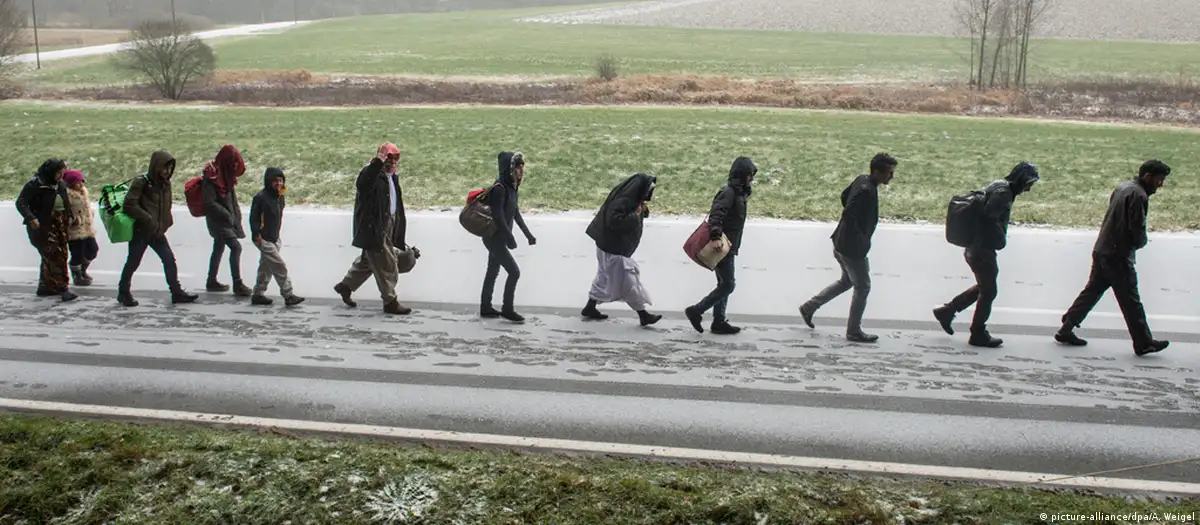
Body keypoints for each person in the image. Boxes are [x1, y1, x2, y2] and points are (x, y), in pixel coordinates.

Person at [1054, 160, 1172, 356]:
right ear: (1148, 177)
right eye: (1159, 180)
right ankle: (1143, 342)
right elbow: (1136, 228)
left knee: (1092, 291)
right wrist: (1140, 242)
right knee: (1131, 300)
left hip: (1103, 249)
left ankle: (1067, 328)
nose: (1161, 184)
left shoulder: (1123, 187)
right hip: (1118, 255)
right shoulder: (1139, 195)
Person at [933, 161, 1040, 348]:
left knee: (985, 286)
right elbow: (989, 219)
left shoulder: (999, 185)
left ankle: (948, 311)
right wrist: (1001, 240)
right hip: (982, 249)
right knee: (989, 291)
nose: (1028, 189)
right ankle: (977, 332)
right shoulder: (1003, 194)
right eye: (1028, 183)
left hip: (975, 246)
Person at [799, 153, 897, 343]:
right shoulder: (866, 190)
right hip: (852, 249)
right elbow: (849, 212)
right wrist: (861, 237)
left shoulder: (862, 180)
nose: (891, 177)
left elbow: (844, 196)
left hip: (840, 241)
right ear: (877, 171)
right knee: (863, 286)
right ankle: (853, 331)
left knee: (846, 281)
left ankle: (809, 307)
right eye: (889, 172)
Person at [334, 143, 411, 315]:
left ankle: (346, 286)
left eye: (395, 158)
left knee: (369, 261)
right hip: (375, 226)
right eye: (388, 157)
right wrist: (377, 163)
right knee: (387, 264)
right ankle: (390, 301)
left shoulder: (392, 177)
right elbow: (363, 184)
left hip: (388, 222)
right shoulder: (371, 173)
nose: (392, 161)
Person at [684, 156, 757, 335]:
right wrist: (716, 236)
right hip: (722, 244)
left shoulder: (739, 193)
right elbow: (716, 214)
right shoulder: (729, 192)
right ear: (742, 175)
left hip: (729, 244)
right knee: (728, 285)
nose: (752, 178)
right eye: (750, 175)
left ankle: (719, 321)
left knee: (723, 283)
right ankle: (696, 310)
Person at [117, 150, 199, 307]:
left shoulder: (165, 184)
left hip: (157, 231)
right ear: (156, 167)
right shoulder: (142, 182)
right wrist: (147, 218)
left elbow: (166, 205)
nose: (167, 171)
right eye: (164, 168)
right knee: (133, 262)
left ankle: (176, 292)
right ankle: (123, 292)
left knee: (169, 260)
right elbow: (129, 205)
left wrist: (165, 222)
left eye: (169, 168)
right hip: (141, 231)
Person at [582, 173, 662, 326]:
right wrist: (636, 214)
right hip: (614, 248)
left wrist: (641, 212)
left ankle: (590, 307)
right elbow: (615, 221)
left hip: (608, 245)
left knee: (603, 276)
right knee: (629, 282)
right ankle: (643, 314)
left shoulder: (629, 198)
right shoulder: (624, 200)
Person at [480, 151, 536, 323]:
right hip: (494, 238)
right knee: (514, 272)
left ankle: (485, 307)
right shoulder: (499, 189)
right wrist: (510, 238)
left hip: (500, 238)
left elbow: (515, 213)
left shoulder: (512, 188)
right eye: (517, 167)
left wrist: (528, 234)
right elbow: (498, 216)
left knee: (492, 271)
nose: (521, 170)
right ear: (509, 169)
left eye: (522, 166)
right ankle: (507, 309)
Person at [15, 158, 78, 302]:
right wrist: (31, 218)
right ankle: (63, 288)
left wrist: (71, 216)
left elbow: (65, 202)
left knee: (56, 254)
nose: (61, 175)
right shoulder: (35, 184)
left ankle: (45, 286)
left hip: (60, 223)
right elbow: (21, 202)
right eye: (58, 172)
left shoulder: (59, 184)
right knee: (55, 256)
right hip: (43, 225)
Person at [249, 167, 304, 307]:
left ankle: (258, 294)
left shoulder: (280, 197)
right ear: (269, 182)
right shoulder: (261, 198)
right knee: (279, 266)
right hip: (263, 238)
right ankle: (288, 294)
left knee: (266, 267)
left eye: (280, 180)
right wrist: (256, 235)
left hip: (274, 238)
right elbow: (254, 218)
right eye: (275, 181)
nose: (278, 183)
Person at [202, 144, 251, 297]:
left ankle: (211, 280)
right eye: (232, 162)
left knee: (218, 247)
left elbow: (232, 199)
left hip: (226, 219)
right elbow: (209, 202)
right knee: (236, 248)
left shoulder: (226, 174)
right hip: (218, 220)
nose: (235, 166)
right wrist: (228, 215)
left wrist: (236, 217)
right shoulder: (211, 177)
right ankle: (237, 283)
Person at [63, 169, 99, 287]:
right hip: (75, 230)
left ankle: (82, 270)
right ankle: (77, 275)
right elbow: (62, 213)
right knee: (77, 254)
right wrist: (72, 220)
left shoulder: (84, 192)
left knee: (92, 250)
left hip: (87, 228)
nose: (81, 184)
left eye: (82, 181)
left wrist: (90, 214)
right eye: (77, 182)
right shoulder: (66, 195)